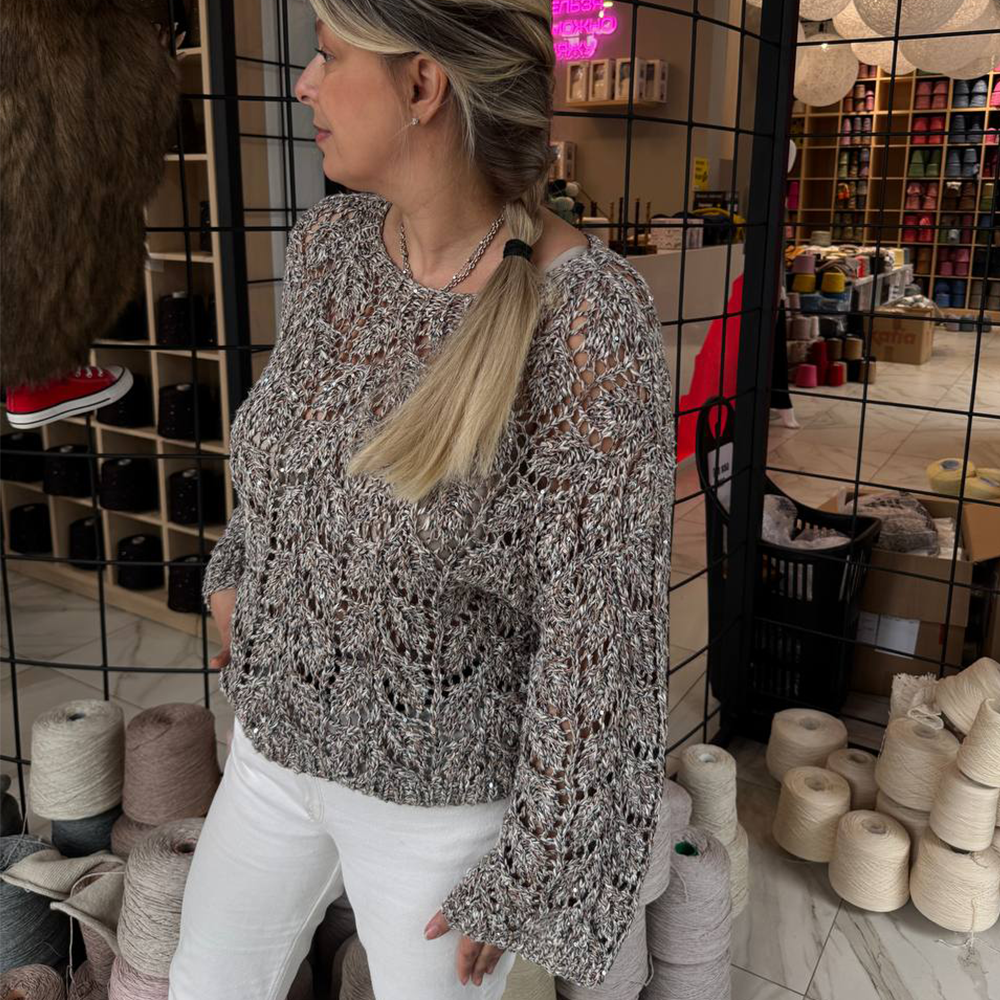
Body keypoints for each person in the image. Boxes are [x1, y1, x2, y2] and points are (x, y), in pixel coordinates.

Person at [167, 3, 675, 999]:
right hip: (273, 747)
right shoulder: (331, 244)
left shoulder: (589, 319)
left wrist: (534, 865)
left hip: (438, 809)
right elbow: (291, 458)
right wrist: (235, 572)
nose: (304, 84)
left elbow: (600, 632)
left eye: (328, 55)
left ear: (422, 85)